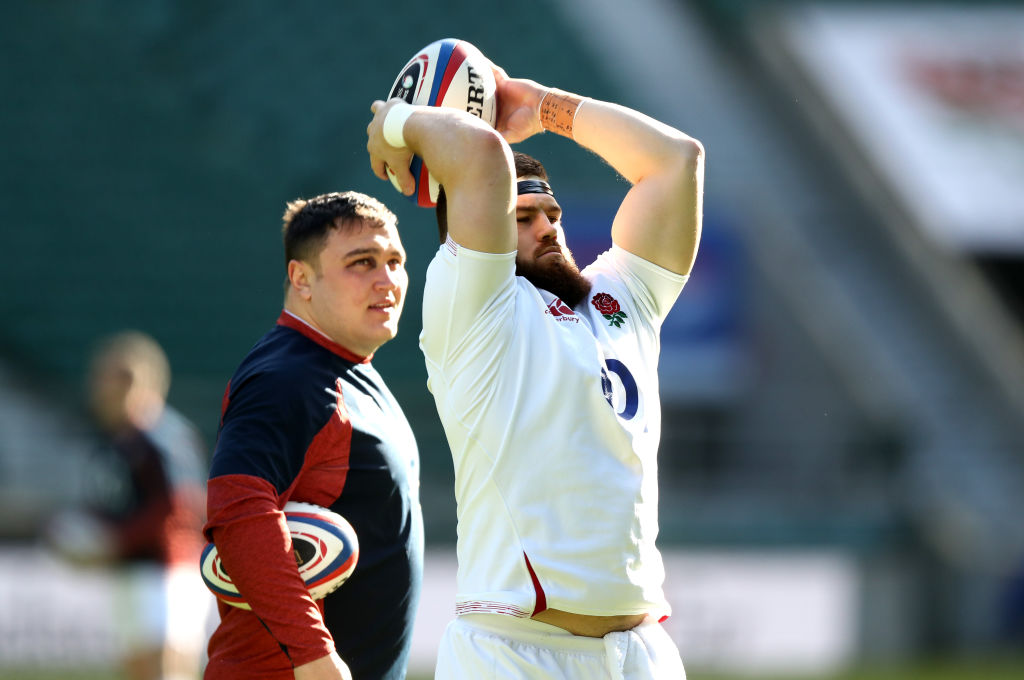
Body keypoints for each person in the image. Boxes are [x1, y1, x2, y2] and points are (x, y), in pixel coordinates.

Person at [366, 54, 703, 678]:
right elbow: (478, 161)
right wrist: (401, 123)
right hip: (512, 650)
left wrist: (542, 104)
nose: (549, 228)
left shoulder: (619, 299)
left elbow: (676, 161)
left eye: (554, 216)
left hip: (639, 651)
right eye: (524, 218)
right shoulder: (473, 303)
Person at [202, 191, 423, 680]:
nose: (387, 280)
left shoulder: (348, 369)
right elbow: (238, 507)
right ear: (301, 278)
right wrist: (312, 655)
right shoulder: (288, 377)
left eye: (394, 261)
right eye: (362, 262)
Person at [46, 330, 211, 680]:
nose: (100, 387)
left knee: (167, 670)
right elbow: (115, 505)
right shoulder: (114, 443)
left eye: (109, 377)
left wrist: (113, 541)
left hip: (167, 575)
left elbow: (179, 505)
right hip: (129, 575)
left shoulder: (162, 437)